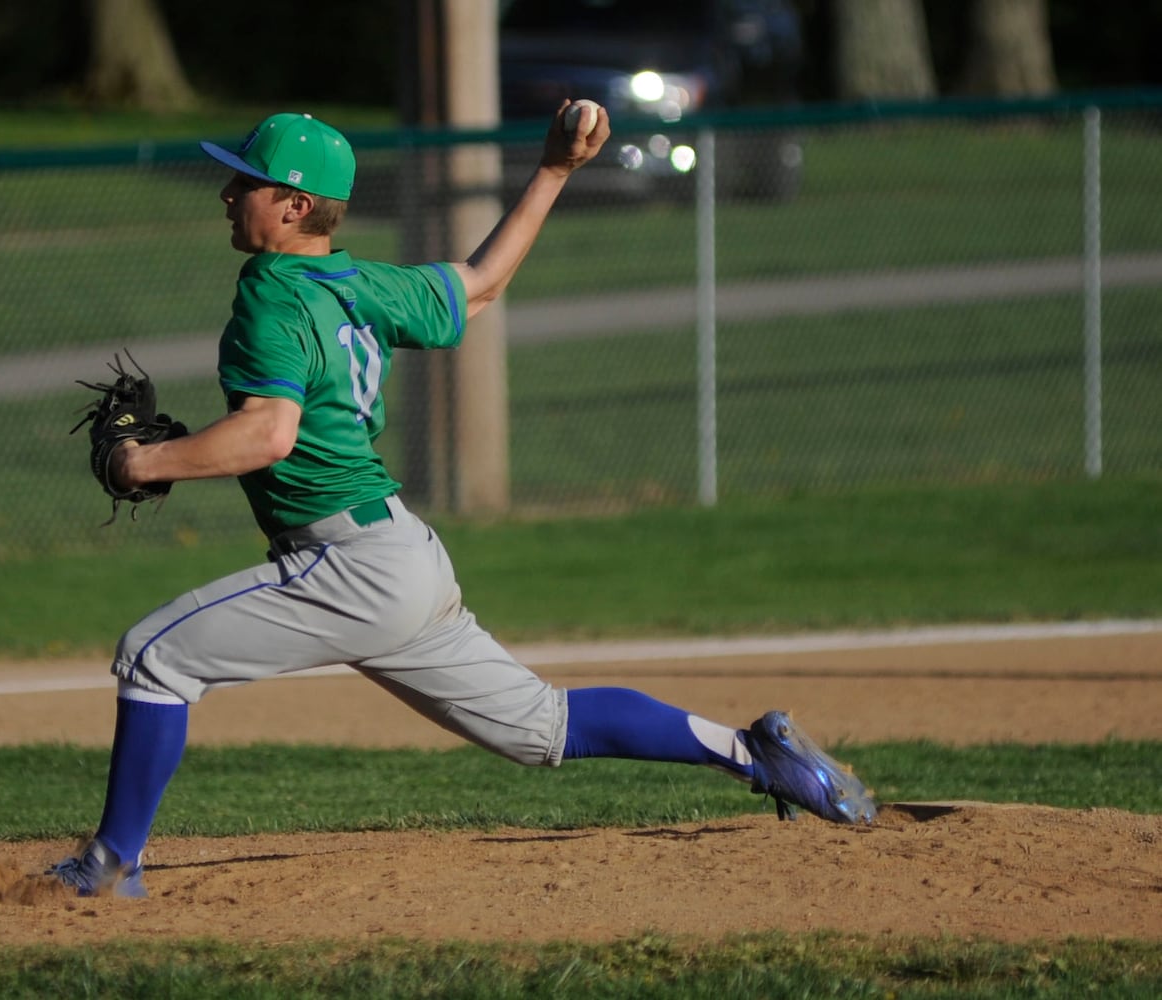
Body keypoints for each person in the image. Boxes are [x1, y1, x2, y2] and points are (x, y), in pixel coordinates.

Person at [47, 105, 876, 897]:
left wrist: (139, 463)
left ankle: (112, 867)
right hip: (400, 556)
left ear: (295, 206)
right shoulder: (359, 283)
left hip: (347, 566)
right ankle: (753, 753)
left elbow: (268, 436)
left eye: (246, 183)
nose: (228, 194)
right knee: (542, 729)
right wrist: (554, 169)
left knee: (155, 657)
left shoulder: (272, 290)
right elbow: (478, 286)